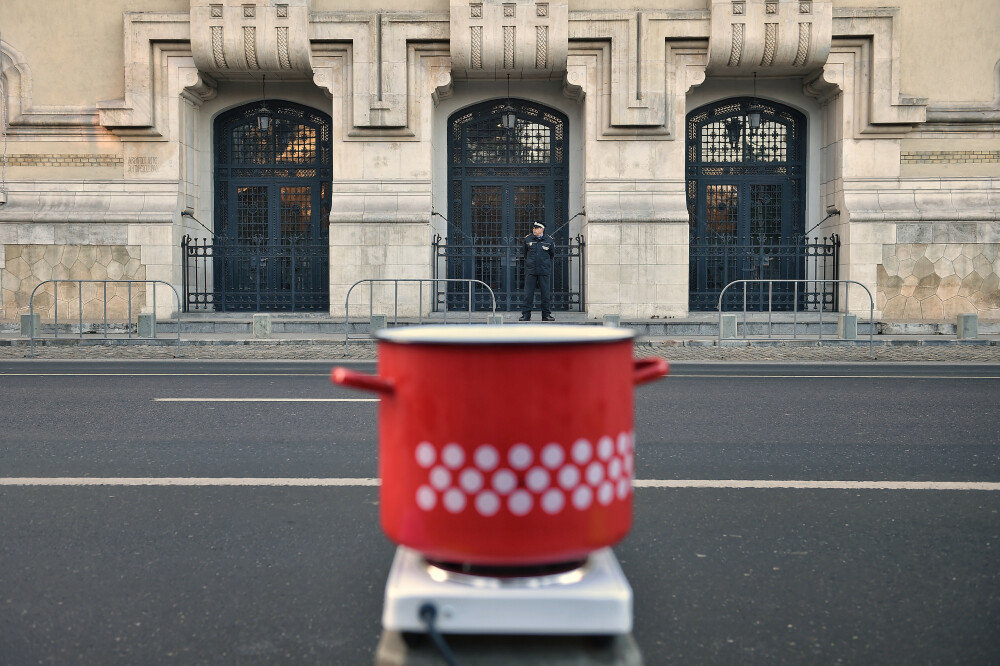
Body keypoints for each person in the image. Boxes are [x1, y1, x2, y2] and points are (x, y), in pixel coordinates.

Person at [520, 221, 555, 321]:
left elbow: (551, 254)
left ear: (542, 229)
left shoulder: (549, 240)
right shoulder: (528, 239)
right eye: (533, 228)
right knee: (528, 293)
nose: (534, 229)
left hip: (544, 270)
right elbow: (525, 254)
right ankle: (526, 315)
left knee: (545, 294)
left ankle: (546, 315)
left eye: (536, 228)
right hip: (531, 270)